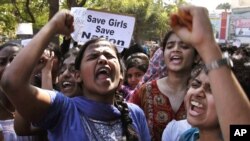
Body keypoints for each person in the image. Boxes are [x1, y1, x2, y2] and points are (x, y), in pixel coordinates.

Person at [1, 10, 151, 141]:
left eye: (109, 55)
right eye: (93, 57)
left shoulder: (135, 114)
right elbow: (12, 82)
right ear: (78, 76)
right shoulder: (63, 108)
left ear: (121, 76)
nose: (103, 59)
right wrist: (53, 26)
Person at [168, 5, 250, 141]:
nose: (198, 92)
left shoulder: (240, 133)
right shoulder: (186, 137)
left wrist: (207, 45)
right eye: (195, 84)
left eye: (212, 90)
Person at [129, 30, 199, 141]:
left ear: (196, 56)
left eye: (184, 46)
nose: (175, 49)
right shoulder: (144, 91)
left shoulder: (203, 95)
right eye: (170, 46)